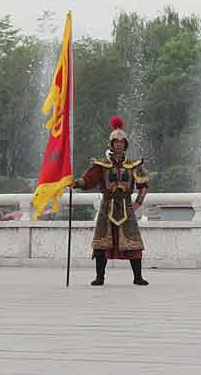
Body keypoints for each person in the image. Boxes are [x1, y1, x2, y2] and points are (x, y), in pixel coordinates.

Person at [72, 115, 150, 285]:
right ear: (111, 144)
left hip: (126, 206)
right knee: (102, 243)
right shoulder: (101, 165)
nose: (119, 145)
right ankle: (100, 277)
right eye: (116, 142)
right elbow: (89, 179)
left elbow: (143, 185)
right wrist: (77, 183)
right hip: (107, 206)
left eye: (122, 142)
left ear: (125, 144)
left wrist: (137, 203)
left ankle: (138, 277)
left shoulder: (134, 164)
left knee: (133, 242)